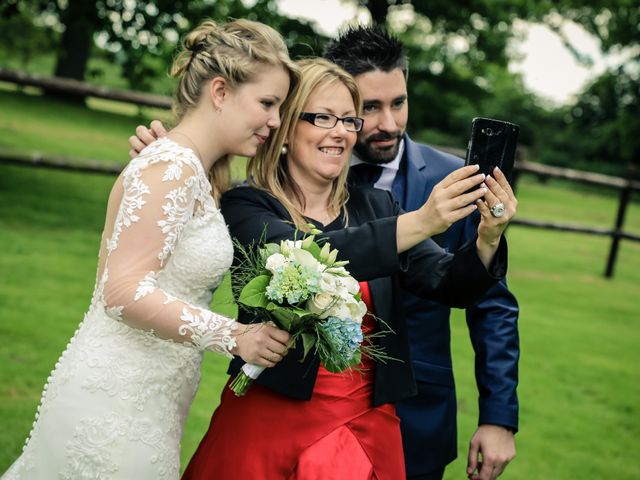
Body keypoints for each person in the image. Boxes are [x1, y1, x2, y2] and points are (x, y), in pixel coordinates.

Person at [179, 57, 516, 479]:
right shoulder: (248, 203)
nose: (339, 132)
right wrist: (422, 221)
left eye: (349, 121)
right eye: (322, 117)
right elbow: (302, 256)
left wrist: (487, 238)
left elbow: (448, 283)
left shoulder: (375, 205)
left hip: (365, 429)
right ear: (285, 127)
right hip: (271, 423)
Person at [1, 18, 298, 480]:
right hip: (115, 402)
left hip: (149, 401)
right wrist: (235, 337)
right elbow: (121, 292)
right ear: (220, 92)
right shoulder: (170, 166)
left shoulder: (193, 170)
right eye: (267, 103)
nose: (276, 121)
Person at [323, 25, 519, 480]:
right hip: (315, 407)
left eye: (398, 102)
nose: (389, 123)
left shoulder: (458, 179)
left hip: (417, 413)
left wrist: (498, 416)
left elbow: (491, 303)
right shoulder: (305, 171)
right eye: (370, 107)